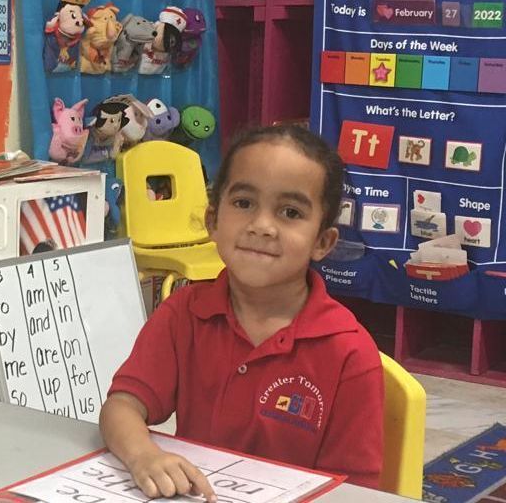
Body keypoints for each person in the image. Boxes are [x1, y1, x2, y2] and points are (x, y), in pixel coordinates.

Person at [100, 125, 383, 502]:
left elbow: (355, 491)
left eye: (290, 212)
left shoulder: (349, 355)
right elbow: (122, 406)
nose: (262, 226)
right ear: (213, 221)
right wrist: (145, 457)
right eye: (244, 203)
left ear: (322, 242)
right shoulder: (183, 314)